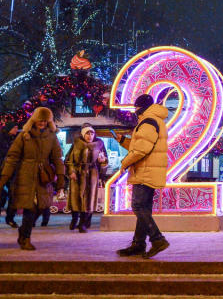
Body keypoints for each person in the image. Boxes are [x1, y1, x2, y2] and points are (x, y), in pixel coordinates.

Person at [0, 107, 65, 250]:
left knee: (42, 207)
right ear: (34, 119)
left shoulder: (52, 136)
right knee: (30, 208)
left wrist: (60, 179)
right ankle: (26, 238)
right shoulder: (24, 135)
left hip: (43, 176)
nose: (42, 123)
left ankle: (23, 231)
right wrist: (4, 177)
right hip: (26, 175)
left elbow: (57, 159)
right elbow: (12, 157)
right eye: (40, 120)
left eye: (45, 121)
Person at [114, 94, 170, 259]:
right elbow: (140, 145)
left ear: (139, 107)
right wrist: (123, 140)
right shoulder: (152, 120)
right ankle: (138, 244)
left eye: (135, 107)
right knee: (143, 208)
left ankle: (157, 239)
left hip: (145, 170)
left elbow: (140, 150)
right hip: (149, 169)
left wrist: (124, 163)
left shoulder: (148, 121)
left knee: (138, 206)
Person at [66, 123, 108, 233]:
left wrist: (102, 162)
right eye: (87, 134)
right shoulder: (76, 143)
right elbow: (69, 160)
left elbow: (105, 161)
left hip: (92, 173)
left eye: (92, 133)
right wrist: (71, 171)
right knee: (76, 198)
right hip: (78, 173)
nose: (90, 136)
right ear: (83, 135)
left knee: (89, 199)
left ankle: (83, 223)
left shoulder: (99, 144)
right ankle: (74, 219)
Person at [0, 121, 20, 229]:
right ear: (10, 128)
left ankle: (10, 219)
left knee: (13, 196)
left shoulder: (15, 139)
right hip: (0, 172)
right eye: (15, 128)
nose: (16, 130)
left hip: (13, 171)